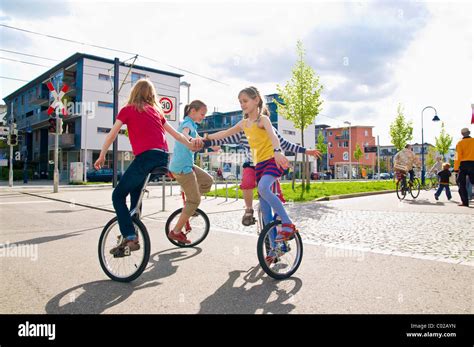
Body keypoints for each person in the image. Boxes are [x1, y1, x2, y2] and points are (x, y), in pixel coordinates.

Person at [94, 79, 201, 255]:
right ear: (151, 95)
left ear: (134, 93)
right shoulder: (156, 111)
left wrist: (102, 155)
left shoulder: (128, 109)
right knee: (135, 199)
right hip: (162, 158)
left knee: (118, 195)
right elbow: (176, 135)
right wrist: (190, 144)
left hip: (145, 158)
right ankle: (130, 238)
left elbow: (111, 135)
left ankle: (129, 235)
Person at [206, 86, 295, 264]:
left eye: (245, 101)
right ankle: (275, 249)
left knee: (263, 188)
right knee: (265, 212)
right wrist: (206, 138)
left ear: (256, 101)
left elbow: (274, 136)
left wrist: (278, 151)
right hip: (259, 165)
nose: (242, 104)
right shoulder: (243, 124)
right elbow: (224, 134)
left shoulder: (263, 120)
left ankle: (288, 224)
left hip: (272, 161)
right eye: (240, 102)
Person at [203, 126, 320, 225]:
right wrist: (205, 142)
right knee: (247, 182)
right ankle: (249, 210)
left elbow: (285, 144)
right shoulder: (243, 132)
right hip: (252, 165)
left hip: (268, 165)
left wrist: (306, 151)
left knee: (272, 188)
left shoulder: (269, 130)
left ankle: (281, 220)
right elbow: (224, 138)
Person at [168, 100, 213, 244]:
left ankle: (190, 205)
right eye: (202, 114)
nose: (203, 117)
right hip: (182, 167)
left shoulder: (193, 125)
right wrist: (191, 139)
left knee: (207, 181)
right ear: (192, 111)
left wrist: (212, 147)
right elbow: (184, 133)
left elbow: (197, 142)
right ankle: (176, 232)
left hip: (189, 165)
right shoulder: (187, 123)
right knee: (195, 200)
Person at [454, 128, 474, 207]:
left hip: (463, 165)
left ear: (462, 134)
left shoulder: (459, 143)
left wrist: (456, 168)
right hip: (473, 164)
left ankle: (465, 202)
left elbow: (457, 157)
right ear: (469, 133)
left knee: (461, 183)